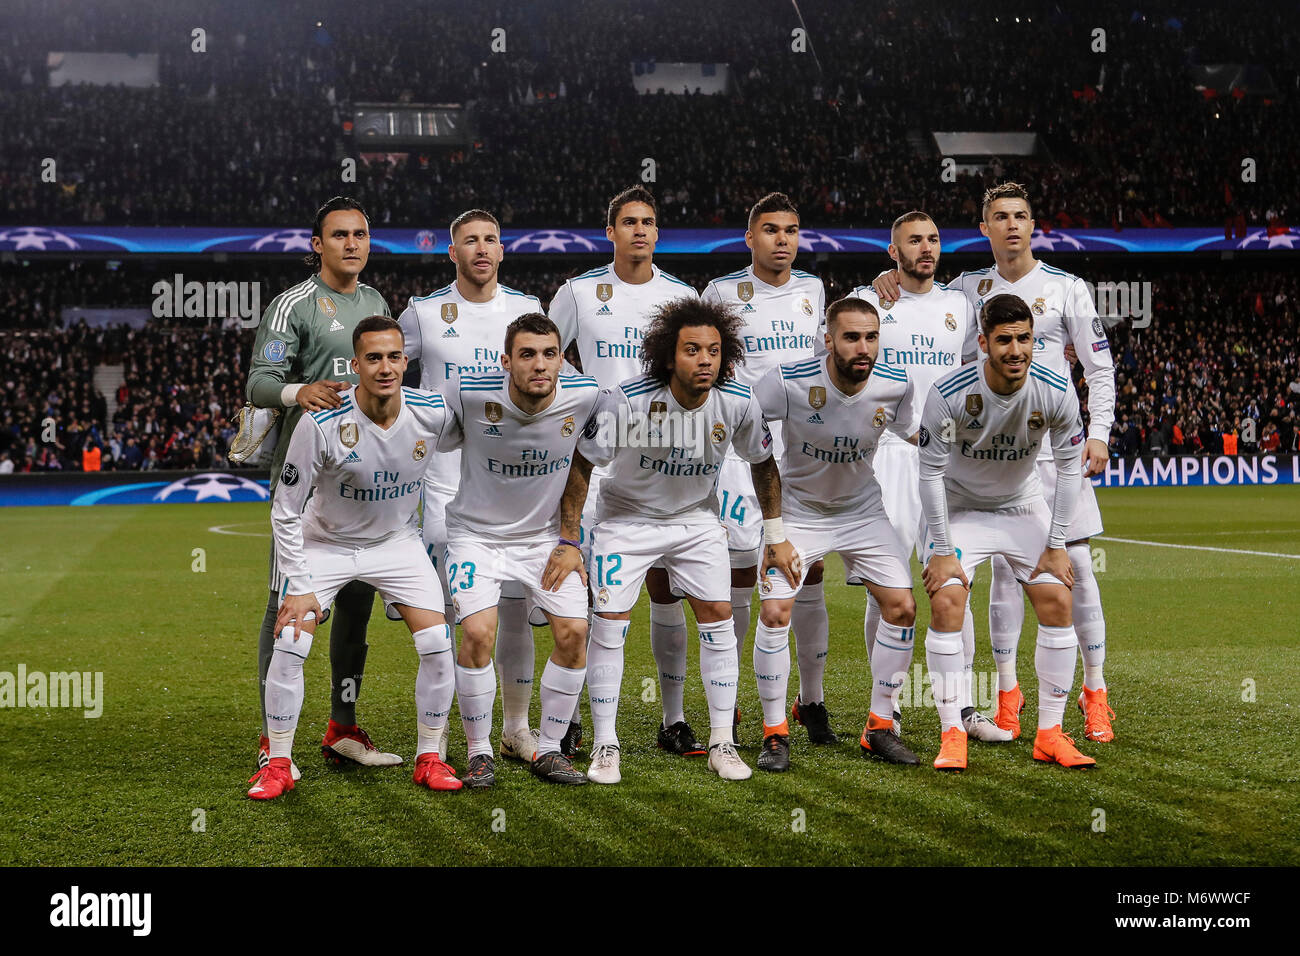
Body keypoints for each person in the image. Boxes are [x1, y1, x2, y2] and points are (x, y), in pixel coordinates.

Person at [874, 182, 1117, 743]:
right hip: (984, 451)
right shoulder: (966, 290)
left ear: (1033, 225)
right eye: (1000, 217)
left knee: (1076, 570)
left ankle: (1095, 691)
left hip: (1052, 446)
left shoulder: (1067, 288)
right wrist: (888, 281)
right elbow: (922, 298)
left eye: (1021, 216)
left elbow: (1099, 368)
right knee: (1003, 577)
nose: (1012, 225)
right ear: (984, 228)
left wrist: (1100, 434)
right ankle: (1007, 693)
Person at [546, 297, 800, 783]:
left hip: (695, 520)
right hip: (627, 519)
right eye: (692, 350)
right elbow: (583, 463)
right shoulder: (628, 400)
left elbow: (763, 464)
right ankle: (605, 744)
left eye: (714, 351)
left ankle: (723, 743)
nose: (705, 360)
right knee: (610, 625)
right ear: (668, 356)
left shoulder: (738, 401)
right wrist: (569, 540)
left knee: (719, 618)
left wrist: (776, 535)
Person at [250, 317, 458, 799]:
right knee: (291, 639)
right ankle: (277, 763)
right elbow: (285, 509)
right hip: (326, 543)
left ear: (405, 361)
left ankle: (430, 757)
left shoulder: (433, 412)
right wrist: (297, 583)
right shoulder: (321, 422)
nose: (385, 368)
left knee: (436, 640)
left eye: (394, 357)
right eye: (373, 358)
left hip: (396, 544)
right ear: (355, 364)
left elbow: (489, 438)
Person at [550, 185, 706, 759]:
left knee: (667, 592)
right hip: (596, 462)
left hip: (666, 460)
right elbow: (547, 354)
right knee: (589, 596)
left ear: (657, 232)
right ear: (610, 231)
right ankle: (571, 721)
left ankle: (673, 719)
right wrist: (583, 403)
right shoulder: (578, 292)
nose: (639, 230)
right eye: (629, 222)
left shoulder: (681, 295)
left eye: (648, 221)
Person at [245, 197, 399, 780]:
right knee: (286, 607)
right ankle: (273, 740)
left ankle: (342, 726)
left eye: (360, 234)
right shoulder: (293, 305)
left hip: (360, 484)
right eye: (339, 235)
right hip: (304, 484)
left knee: (356, 606)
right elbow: (259, 381)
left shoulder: (375, 302)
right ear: (317, 244)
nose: (352, 244)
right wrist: (298, 391)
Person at [917, 294, 1096, 771]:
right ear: (983, 343)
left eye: (1024, 339)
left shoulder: (1055, 389)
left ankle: (1050, 735)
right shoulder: (950, 392)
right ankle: (952, 732)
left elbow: (1069, 469)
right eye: (1004, 340)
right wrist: (941, 549)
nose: (1016, 350)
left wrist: (1056, 544)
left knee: (1058, 599)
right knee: (947, 599)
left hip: (1021, 506)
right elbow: (929, 474)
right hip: (960, 507)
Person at [849, 211, 1007, 743]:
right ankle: (887, 709)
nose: (926, 248)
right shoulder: (870, 301)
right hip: (889, 455)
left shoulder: (960, 305)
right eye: (913, 240)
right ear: (893, 252)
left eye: (933, 239)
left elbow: (976, 372)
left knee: (955, 582)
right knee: (886, 590)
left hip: (950, 459)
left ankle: (963, 707)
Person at [398, 209, 545, 765]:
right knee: (446, 618)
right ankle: (438, 735)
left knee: (513, 610)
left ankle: (515, 729)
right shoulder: (423, 313)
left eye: (490, 240)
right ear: (452, 252)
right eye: (470, 241)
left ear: (502, 250)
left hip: (513, 485)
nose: (481, 249)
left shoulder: (527, 310)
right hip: (443, 485)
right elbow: (384, 370)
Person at [751, 297, 923, 769]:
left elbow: (916, 433)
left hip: (862, 512)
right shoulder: (787, 382)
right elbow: (745, 426)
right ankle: (775, 734)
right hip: (798, 514)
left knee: (902, 607)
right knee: (775, 611)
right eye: (851, 337)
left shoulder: (897, 383)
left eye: (871, 337)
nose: (863, 347)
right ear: (828, 341)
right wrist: (773, 529)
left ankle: (880, 726)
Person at [441, 314, 599, 787]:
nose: (540, 365)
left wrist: (570, 540)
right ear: (506, 361)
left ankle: (547, 749)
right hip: (476, 536)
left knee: (574, 632)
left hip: (543, 541)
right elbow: (420, 432)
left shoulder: (586, 396)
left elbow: (584, 464)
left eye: (550, 354)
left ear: (562, 360)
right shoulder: (468, 393)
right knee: (477, 633)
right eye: (527, 354)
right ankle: (479, 751)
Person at [700, 192, 827, 745]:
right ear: (750, 237)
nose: (783, 240)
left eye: (791, 230)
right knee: (735, 575)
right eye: (771, 230)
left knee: (807, 572)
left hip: (801, 451)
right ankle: (729, 704)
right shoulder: (721, 292)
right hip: (740, 451)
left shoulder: (814, 290)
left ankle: (811, 701)